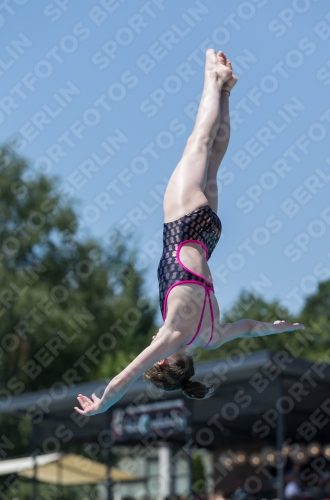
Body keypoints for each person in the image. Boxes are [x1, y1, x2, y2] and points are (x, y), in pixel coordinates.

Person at [75, 49, 304, 416]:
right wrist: (102, 404)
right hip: (183, 225)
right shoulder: (172, 335)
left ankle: (225, 90)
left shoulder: (211, 337)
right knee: (197, 143)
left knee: (213, 160)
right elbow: (124, 378)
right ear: (165, 361)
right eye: (156, 352)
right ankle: (213, 78)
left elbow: (246, 327)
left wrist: (273, 329)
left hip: (208, 233)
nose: (154, 340)